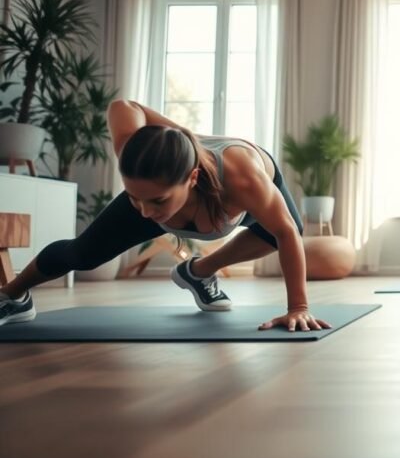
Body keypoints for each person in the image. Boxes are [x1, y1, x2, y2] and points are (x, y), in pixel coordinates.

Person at [0, 100, 329, 332]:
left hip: (231, 184)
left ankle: (198, 272)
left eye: (157, 201)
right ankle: (13, 296)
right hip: (179, 170)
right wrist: (179, 136)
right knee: (82, 254)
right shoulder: (133, 151)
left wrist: (298, 308)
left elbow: (287, 234)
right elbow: (123, 106)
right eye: (134, 197)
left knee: (283, 229)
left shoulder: (243, 179)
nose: (145, 211)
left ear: (192, 178)